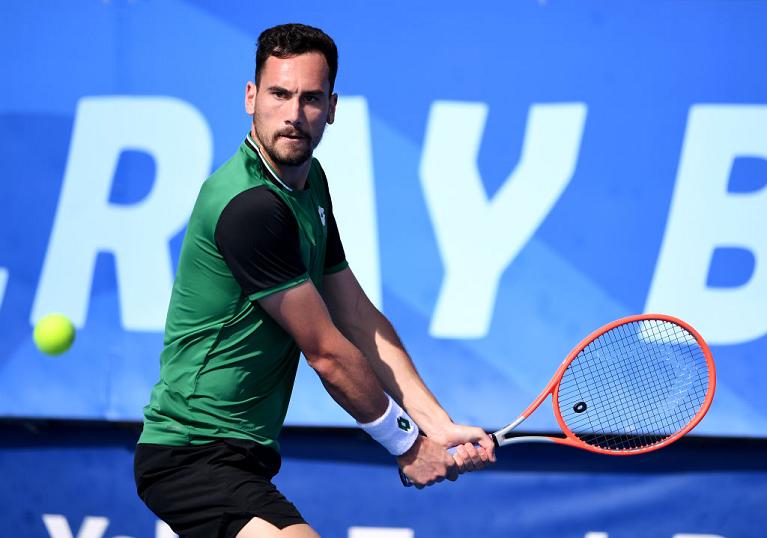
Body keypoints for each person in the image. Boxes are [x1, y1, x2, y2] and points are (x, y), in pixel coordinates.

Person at [134, 23, 496, 538]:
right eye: (279, 94)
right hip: (191, 452)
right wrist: (408, 444)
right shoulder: (250, 208)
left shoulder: (310, 181)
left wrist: (436, 424)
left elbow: (356, 317)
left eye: (310, 98)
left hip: (243, 455)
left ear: (332, 107)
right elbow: (326, 351)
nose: (292, 114)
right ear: (251, 97)